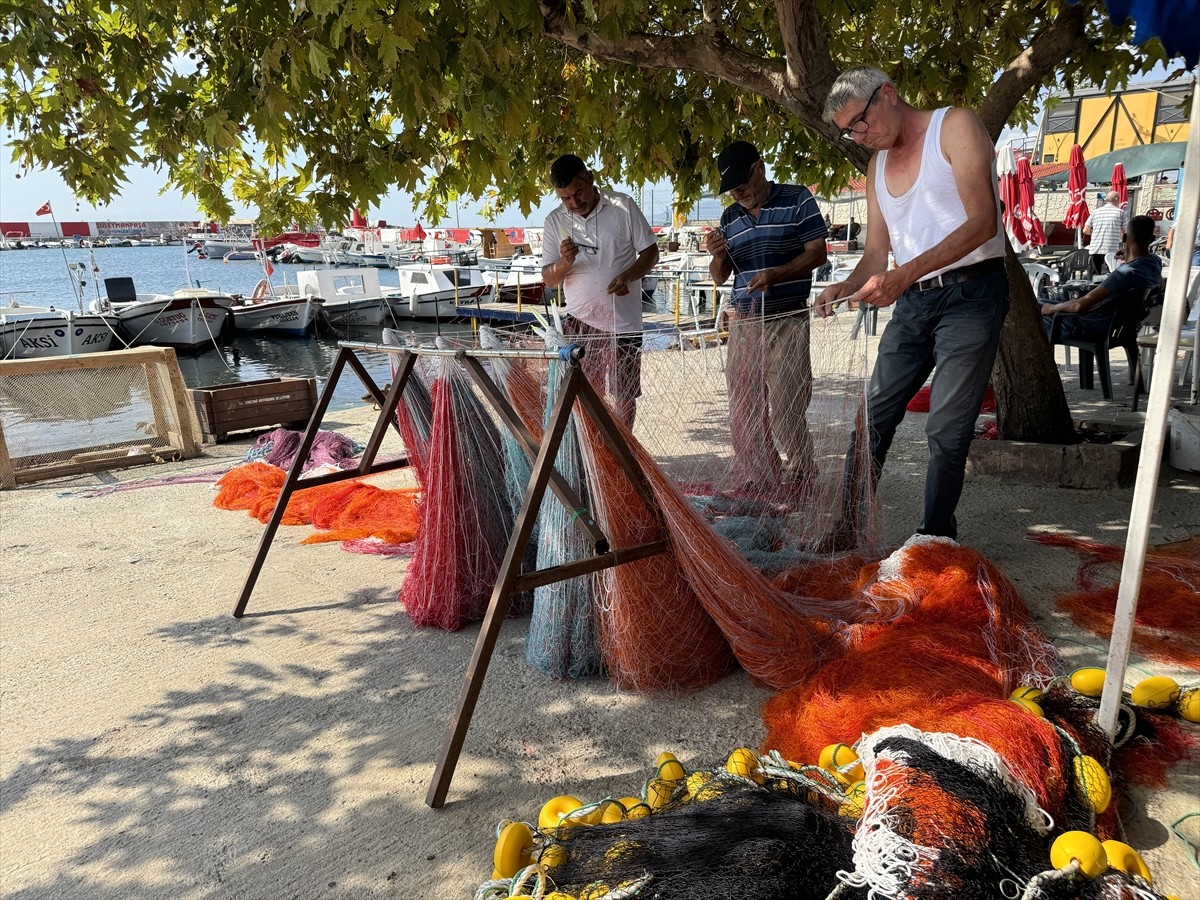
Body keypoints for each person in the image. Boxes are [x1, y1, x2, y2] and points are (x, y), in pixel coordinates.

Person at [815, 67, 1008, 542]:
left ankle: (935, 536)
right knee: (874, 414)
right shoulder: (876, 167)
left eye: (860, 122)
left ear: (888, 94)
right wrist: (845, 285)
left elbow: (984, 223)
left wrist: (903, 275)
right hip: (915, 302)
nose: (860, 137)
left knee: (947, 425)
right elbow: (877, 255)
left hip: (973, 293)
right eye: (849, 132)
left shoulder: (955, 125)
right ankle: (849, 525)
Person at [706, 140, 828, 491]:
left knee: (788, 405)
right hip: (744, 321)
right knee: (743, 406)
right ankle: (761, 476)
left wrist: (777, 275)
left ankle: (804, 472)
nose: (738, 194)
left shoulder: (797, 198)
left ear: (760, 168)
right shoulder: (731, 216)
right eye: (731, 190)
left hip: (787, 318)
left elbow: (817, 252)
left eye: (742, 185)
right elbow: (720, 276)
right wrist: (716, 256)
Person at [541, 154, 659, 427]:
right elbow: (548, 279)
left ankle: (622, 454)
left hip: (624, 323)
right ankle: (592, 454)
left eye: (578, 193)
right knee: (584, 391)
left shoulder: (623, 206)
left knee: (625, 394)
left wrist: (628, 276)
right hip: (580, 322)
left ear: (590, 178)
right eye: (565, 199)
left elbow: (651, 253)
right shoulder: (554, 221)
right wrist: (564, 263)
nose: (574, 203)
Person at [1041, 215, 1163, 341]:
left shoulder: (1125, 274)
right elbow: (1141, 262)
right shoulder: (1154, 262)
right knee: (1040, 302)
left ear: (1124, 237)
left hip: (1092, 327)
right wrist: (1127, 255)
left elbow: (1079, 305)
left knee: (1037, 309)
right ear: (1152, 239)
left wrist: (1051, 308)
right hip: (1120, 327)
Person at [1084, 191, 1125, 275]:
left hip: (1095, 249)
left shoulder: (1095, 212)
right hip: (1111, 250)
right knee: (1108, 277)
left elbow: (1085, 230)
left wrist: (1096, 233)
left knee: (1095, 278)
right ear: (1117, 199)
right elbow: (1126, 231)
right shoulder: (1120, 213)